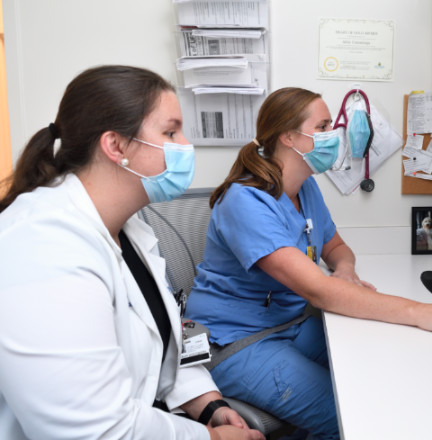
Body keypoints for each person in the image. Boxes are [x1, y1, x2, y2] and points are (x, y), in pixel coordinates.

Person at [184, 87, 432, 440]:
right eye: (323, 126)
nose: (333, 136)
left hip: (288, 325)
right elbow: (318, 291)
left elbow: (336, 246)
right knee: (352, 413)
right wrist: (422, 312)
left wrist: (345, 270)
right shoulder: (244, 201)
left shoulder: (305, 188)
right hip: (238, 342)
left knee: (380, 367)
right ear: (289, 137)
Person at [0, 65, 264, 440]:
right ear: (116, 146)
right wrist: (210, 438)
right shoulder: (42, 247)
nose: (185, 144)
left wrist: (206, 403)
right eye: (170, 131)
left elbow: (158, 337)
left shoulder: (129, 227)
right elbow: (95, 430)